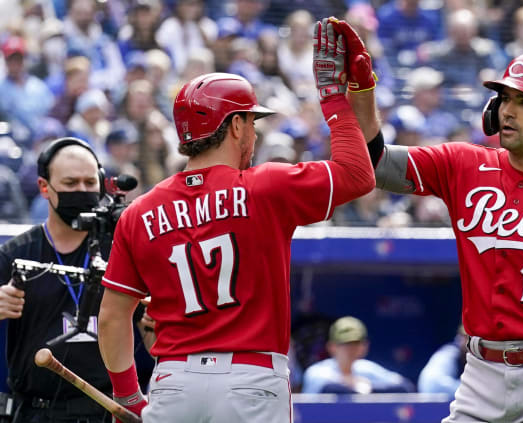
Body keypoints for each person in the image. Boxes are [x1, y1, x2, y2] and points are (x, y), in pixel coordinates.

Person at [334, 20, 523, 423]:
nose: (508, 110)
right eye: (506, 98)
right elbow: (377, 163)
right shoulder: (465, 164)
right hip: (480, 371)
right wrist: (362, 96)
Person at [96, 17, 375, 423]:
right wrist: (335, 99)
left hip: (174, 384)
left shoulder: (140, 211)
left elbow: (112, 315)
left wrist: (128, 396)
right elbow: (358, 175)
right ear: (235, 125)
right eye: (252, 122)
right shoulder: (266, 186)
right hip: (251, 378)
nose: (255, 134)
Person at [0, 137, 150, 422]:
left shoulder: (122, 249)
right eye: (70, 184)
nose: (81, 191)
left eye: (89, 182)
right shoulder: (14, 254)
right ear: (45, 187)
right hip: (37, 412)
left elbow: (153, 339)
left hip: (110, 410)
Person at [302, 316, 414, 394]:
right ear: (331, 347)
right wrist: (356, 386)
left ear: (365, 346)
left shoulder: (365, 369)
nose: (351, 349)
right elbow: (328, 388)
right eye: (345, 344)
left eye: (356, 343)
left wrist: (368, 387)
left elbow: (404, 386)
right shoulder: (317, 371)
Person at [417, 324, 468, 397]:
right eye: (465, 337)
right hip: (437, 399)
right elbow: (432, 384)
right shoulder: (450, 353)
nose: (466, 341)